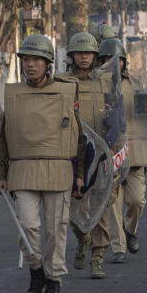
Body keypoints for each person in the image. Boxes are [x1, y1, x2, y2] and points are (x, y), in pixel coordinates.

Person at [0, 34, 85, 293]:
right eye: (26, 60)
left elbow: (79, 136)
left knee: (55, 231)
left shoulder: (68, 91)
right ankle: (36, 272)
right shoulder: (14, 94)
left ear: (48, 63)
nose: (30, 65)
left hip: (58, 169)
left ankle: (54, 282)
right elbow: (4, 136)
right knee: (27, 225)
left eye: (36, 60)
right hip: (23, 170)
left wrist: (80, 174)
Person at [60, 31, 114, 279]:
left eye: (88, 53)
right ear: (71, 55)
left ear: (95, 56)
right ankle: (82, 237)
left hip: (100, 153)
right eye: (79, 53)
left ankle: (98, 258)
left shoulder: (105, 82)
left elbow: (117, 118)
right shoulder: (61, 83)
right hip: (72, 153)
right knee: (72, 206)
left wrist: (116, 149)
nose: (84, 57)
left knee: (100, 207)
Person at [100, 38, 147, 264]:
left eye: (117, 60)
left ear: (123, 61)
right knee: (113, 203)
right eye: (107, 59)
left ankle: (130, 230)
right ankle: (118, 246)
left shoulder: (137, 83)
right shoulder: (96, 86)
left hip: (136, 150)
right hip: (110, 152)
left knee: (136, 201)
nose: (112, 63)